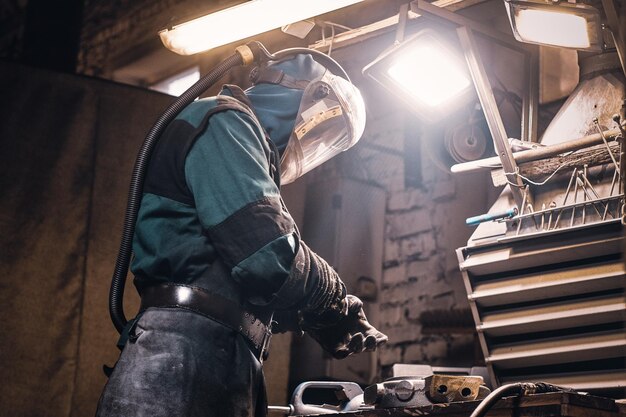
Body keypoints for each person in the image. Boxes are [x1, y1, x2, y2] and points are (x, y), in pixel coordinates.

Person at [96, 52, 388, 417]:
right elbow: (266, 255)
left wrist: (312, 317)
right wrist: (332, 299)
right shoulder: (226, 122)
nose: (311, 141)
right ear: (308, 96)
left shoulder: (244, 144)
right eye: (320, 126)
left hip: (213, 357)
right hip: (183, 359)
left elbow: (233, 284)